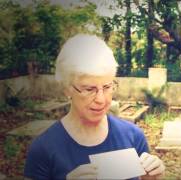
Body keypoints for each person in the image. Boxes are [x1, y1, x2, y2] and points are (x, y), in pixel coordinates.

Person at [24, 34, 165, 179]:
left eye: (107, 86)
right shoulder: (43, 149)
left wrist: (151, 177)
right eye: (89, 89)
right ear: (67, 89)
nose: (101, 99)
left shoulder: (134, 136)